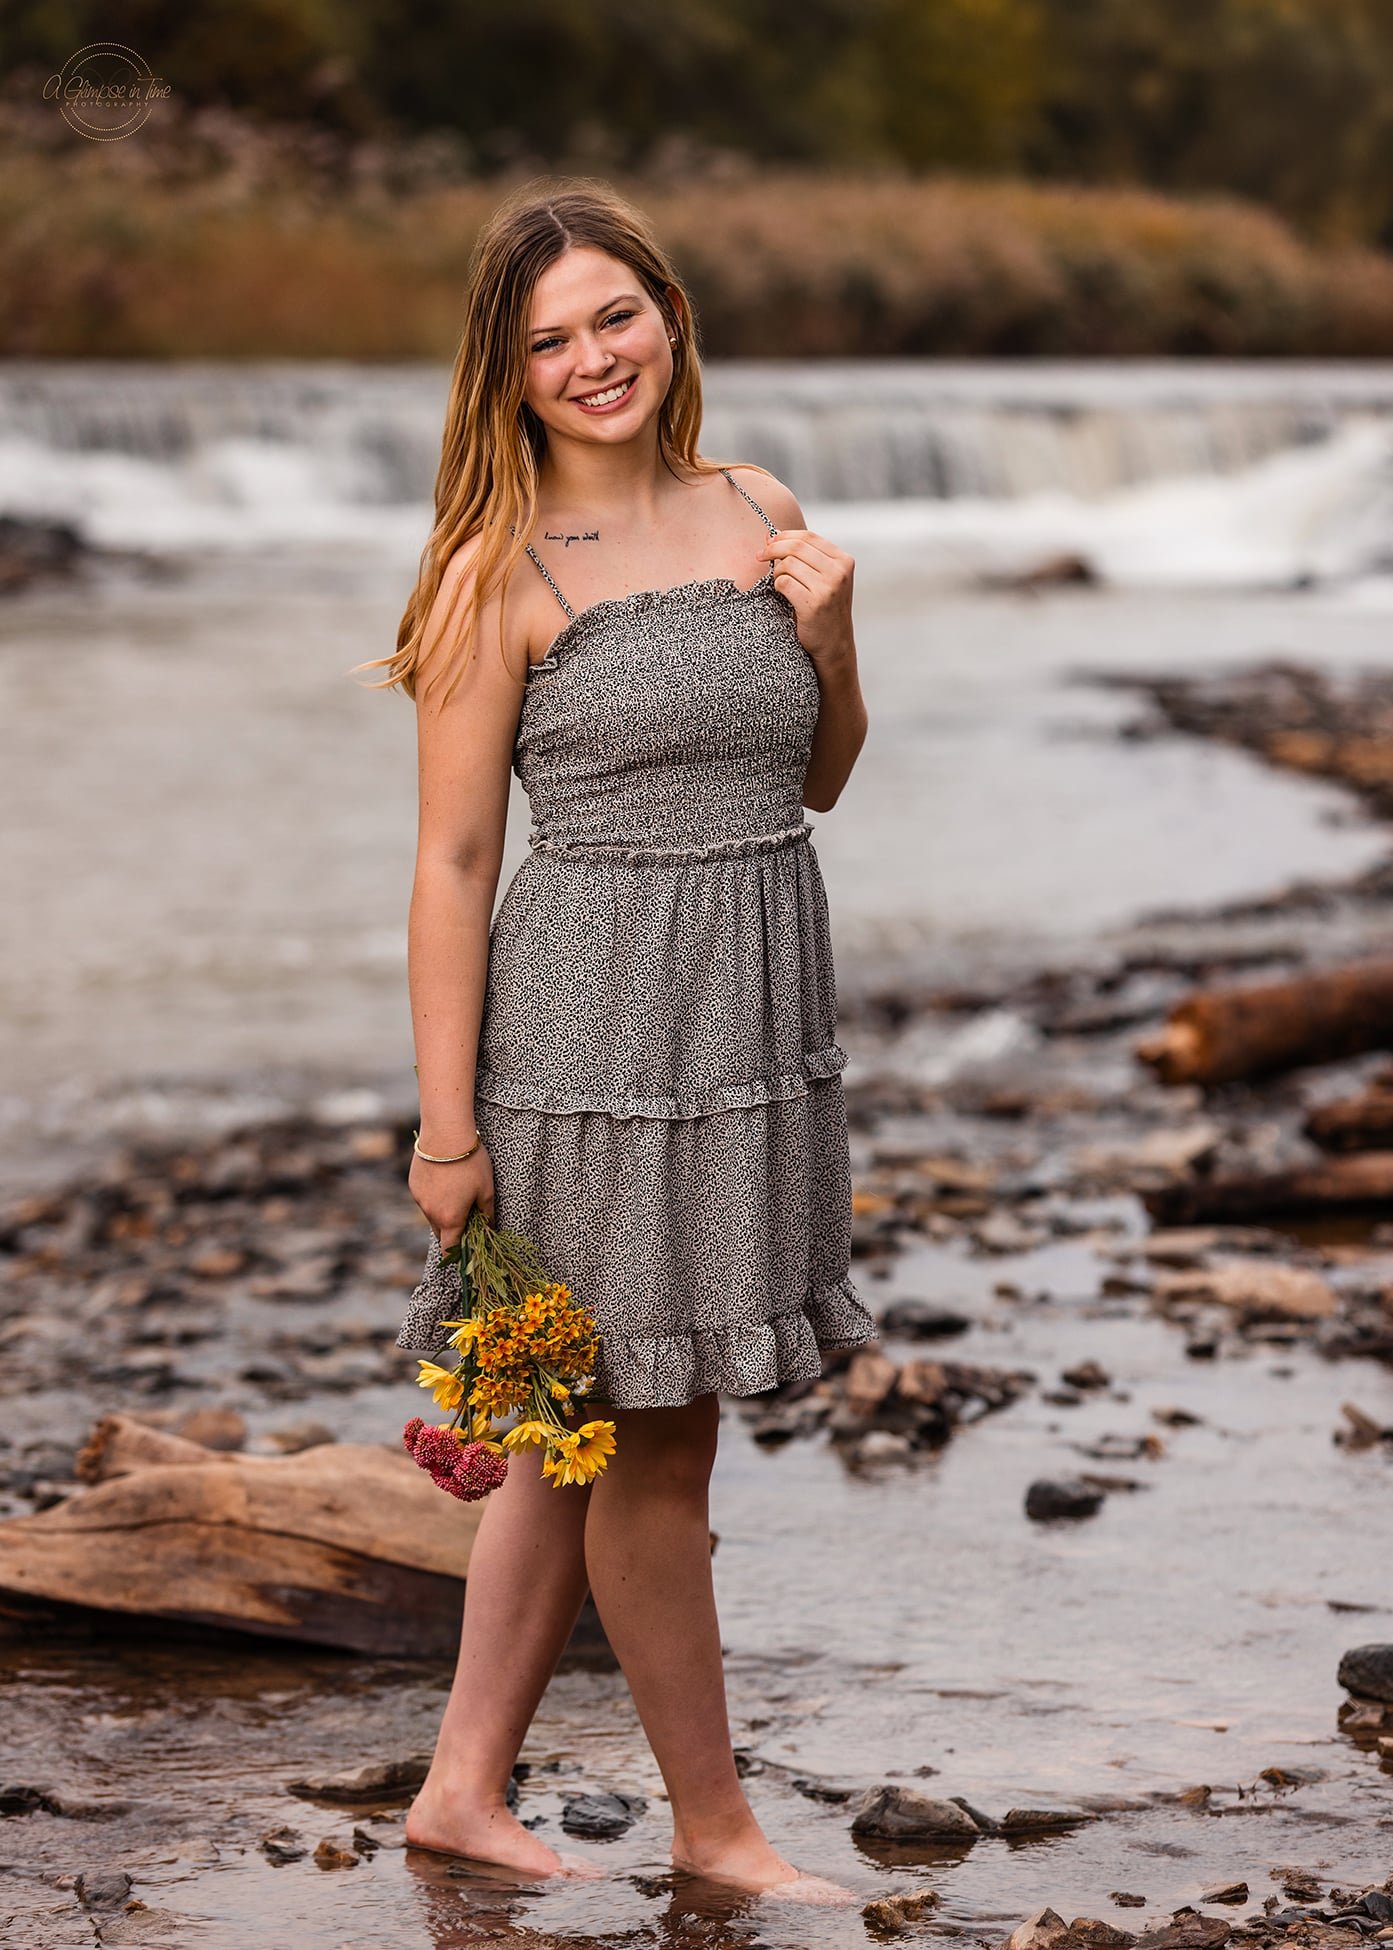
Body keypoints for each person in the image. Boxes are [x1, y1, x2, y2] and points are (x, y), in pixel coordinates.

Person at [361, 175, 875, 1906]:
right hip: (590, 1038)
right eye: (547, 340)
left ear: (667, 314)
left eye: (614, 317)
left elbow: (815, 775)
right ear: (503, 373)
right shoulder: (490, 571)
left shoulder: (760, 505)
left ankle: (458, 1791)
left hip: (751, 1019)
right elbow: (449, 864)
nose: (592, 359)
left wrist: (832, 633)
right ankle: (716, 1835)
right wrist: (446, 1127)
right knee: (649, 1439)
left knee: (567, 1427)